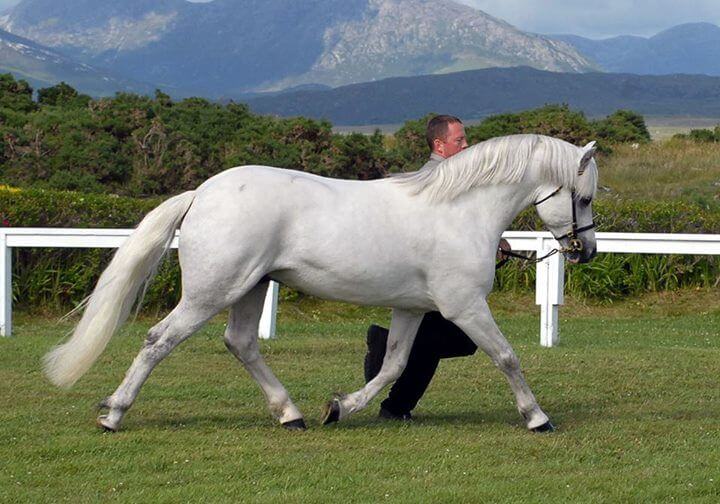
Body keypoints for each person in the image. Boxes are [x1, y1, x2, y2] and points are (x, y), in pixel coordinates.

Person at [364, 114, 511, 421]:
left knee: (441, 341)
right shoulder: (435, 181)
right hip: (428, 279)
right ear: (440, 144)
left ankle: (392, 386)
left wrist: (495, 241)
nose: (467, 144)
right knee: (453, 340)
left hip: (437, 281)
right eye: (460, 140)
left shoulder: (456, 179)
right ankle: (391, 385)